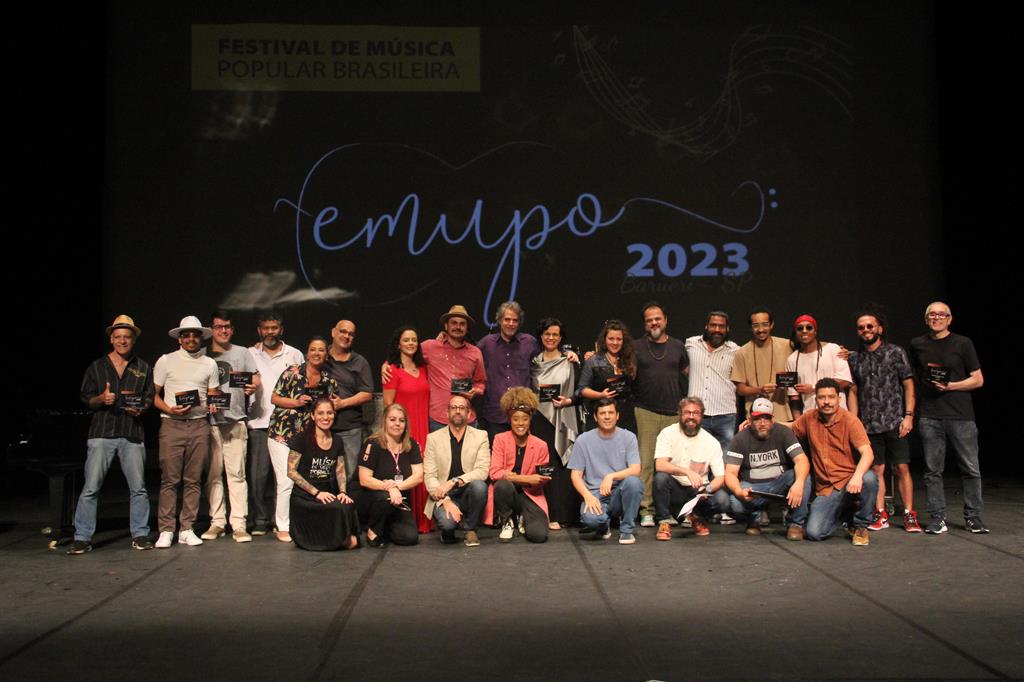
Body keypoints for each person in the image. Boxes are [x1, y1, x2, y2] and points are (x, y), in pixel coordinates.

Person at [68, 315, 155, 555]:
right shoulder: (97, 366)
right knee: (91, 487)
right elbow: (86, 398)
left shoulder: (143, 367)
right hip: (102, 433)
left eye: (127, 337)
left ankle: (140, 534)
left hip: (131, 433)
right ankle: (82, 537)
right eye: (118, 337)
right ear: (111, 339)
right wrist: (101, 399)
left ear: (133, 339)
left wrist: (140, 409)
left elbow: (148, 398)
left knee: (138, 488)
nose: (122, 341)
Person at [910, 301, 987, 534]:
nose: (937, 318)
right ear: (926, 319)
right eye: (932, 315)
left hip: (960, 416)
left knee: (970, 469)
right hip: (930, 416)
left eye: (941, 315)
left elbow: (978, 379)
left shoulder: (963, 343)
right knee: (933, 471)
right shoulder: (917, 344)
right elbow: (914, 378)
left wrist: (951, 386)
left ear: (949, 319)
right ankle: (937, 518)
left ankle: (973, 517)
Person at [847, 309, 920, 533]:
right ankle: (880, 513)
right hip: (869, 424)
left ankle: (909, 513)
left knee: (901, 467)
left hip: (895, 420)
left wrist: (909, 415)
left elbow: (908, 384)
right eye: (861, 327)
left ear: (879, 328)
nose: (866, 330)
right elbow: (853, 390)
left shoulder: (895, 352)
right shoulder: (855, 358)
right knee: (877, 469)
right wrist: (854, 421)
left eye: (870, 326)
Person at [152, 316, 221, 549]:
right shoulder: (166, 361)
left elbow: (213, 395)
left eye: (195, 335)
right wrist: (169, 409)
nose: (191, 339)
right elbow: (153, 395)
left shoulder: (209, 364)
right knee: (170, 479)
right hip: (172, 424)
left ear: (201, 338)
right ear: (179, 338)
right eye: (186, 335)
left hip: (199, 425)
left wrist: (212, 404)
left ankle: (186, 528)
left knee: (193, 479)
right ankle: (166, 530)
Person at [267, 337, 339, 543]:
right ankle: (282, 526)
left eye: (321, 350)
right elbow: (274, 398)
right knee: (286, 480)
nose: (317, 353)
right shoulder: (292, 372)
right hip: (282, 434)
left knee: (303, 480)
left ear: (326, 354)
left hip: (306, 440)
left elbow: (331, 406)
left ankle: (299, 522)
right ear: (307, 353)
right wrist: (296, 402)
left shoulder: (328, 381)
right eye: (313, 349)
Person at [791, 379, 878, 546]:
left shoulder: (850, 421)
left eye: (831, 397)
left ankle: (861, 525)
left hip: (849, 481)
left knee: (869, 478)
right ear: (816, 399)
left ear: (839, 398)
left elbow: (868, 453)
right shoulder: (809, 418)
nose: (826, 402)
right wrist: (760, 423)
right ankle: (845, 515)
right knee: (814, 533)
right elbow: (790, 428)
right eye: (821, 397)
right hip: (827, 488)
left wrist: (857, 476)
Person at [203, 310, 260, 543]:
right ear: (211, 330)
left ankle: (238, 524)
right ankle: (217, 522)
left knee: (237, 475)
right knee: (213, 475)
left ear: (232, 329)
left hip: (235, 420)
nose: (223, 330)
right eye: (218, 327)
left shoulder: (242, 352)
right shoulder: (203, 354)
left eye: (227, 326)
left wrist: (252, 386)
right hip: (210, 423)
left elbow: (255, 378)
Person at [247, 311, 304, 536]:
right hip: (259, 422)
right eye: (265, 328)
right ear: (259, 330)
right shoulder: (249, 354)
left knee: (286, 478)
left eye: (274, 328)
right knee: (258, 476)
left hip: (288, 425)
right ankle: (261, 520)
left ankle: (283, 519)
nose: (269, 332)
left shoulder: (295, 354)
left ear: (281, 329)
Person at [632, 302, 689, 529]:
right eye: (649, 320)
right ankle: (646, 510)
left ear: (665, 320)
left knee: (674, 464)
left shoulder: (678, 346)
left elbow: (685, 374)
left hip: (673, 413)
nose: (654, 323)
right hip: (645, 411)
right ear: (645, 324)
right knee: (646, 463)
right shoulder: (636, 347)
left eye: (657, 319)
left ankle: (673, 510)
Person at [723, 397, 810, 540]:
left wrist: (799, 483)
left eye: (766, 418)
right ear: (750, 420)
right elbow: (730, 473)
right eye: (757, 419)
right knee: (735, 501)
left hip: (779, 483)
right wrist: (739, 491)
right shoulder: (740, 439)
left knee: (803, 477)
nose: (762, 423)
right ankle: (754, 518)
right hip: (754, 488)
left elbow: (802, 460)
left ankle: (796, 524)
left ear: (773, 419)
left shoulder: (784, 432)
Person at [652, 397, 730, 540]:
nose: (691, 417)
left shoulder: (711, 442)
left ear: (702, 416)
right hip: (674, 489)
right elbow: (660, 465)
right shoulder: (667, 433)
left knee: (723, 500)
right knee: (660, 478)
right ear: (680, 414)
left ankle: (695, 516)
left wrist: (708, 489)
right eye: (687, 412)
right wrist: (687, 472)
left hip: (697, 492)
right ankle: (664, 522)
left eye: (696, 413)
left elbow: (720, 477)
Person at [286, 398, 359, 551]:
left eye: (329, 413)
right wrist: (317, 493)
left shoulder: (337, 440)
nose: (325, 417)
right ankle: (327, 540)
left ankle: (339, 539)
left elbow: (340, 469)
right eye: (320, 413)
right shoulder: (301, 439)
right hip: (305, 497)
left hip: (327, 494)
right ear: (313, 415)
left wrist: (343, 492)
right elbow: (291, 471)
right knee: (337, 509)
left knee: (347, 504)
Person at [530, 317, 581, 530]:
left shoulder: (570, 361)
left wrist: (568, 400)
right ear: (541, 336)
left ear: (561, 338)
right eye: (547, 334)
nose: (551, 338)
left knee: (564, 465)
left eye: (555, 335)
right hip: (540, 419)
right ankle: (547, 513)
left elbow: (580, 391)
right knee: (545, 465)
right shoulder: (533, 363)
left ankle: (566, 514)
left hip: (564, 418)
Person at [569, 398, 643, 544]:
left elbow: (636, 469)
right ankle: (603, 526)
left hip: (620, 493)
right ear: (596, 417)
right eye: (603, 413)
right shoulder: (583, 440)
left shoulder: (629, 437)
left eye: (611, 413)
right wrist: (587, 496)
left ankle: (626, 530)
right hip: (596, 495)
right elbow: (575, 474)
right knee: (591, 519)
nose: (607, 417)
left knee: (634, 483)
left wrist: (611, 476)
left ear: (617, 415)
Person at [381, 325, 432, 533]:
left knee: (425, 471)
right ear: (398, 344)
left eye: (414, 340)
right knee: (408, 471)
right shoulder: (391, 369)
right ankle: (409, 521)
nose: (411, 343)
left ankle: (426, 519)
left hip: (424, 427)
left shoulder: (423, 367)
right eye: (406, 340)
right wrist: (396, 433)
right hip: (404, 430)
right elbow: (388, 405)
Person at [422, 394, 490, 546]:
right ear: (447, 413)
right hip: (443, 495)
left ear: (469, 413)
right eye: (453, 408)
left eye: (462, 408)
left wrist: (454, 481)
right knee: (448, 525)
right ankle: (448, 531)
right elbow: (429, 476)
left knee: (479, 486)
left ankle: (470, 529)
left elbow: (482, 471)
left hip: (468, 492)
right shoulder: (433, 438)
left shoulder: (481, 436)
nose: (457, 411)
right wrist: (446, 501)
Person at [490, 387, 552, 543]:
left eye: (524, 419)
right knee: (502, 485)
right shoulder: (500, 439)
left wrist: (516, 477)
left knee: (538, 536)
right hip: (507, 493)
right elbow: (495, 473)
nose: (520, 423)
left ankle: (523, 516)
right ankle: (508, 520)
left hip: (530, 494)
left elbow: (542, 478)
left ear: (530, 420)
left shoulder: (541, 445)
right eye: (516, 419)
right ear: (510, 420)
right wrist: (526, 478)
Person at [356, 403, 423, 547]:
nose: (397, 424)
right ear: (384, 421)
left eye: (401, 420)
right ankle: (373, 529)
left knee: (409, 537)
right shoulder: (372, 444)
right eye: (392, 419)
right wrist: (389, 488)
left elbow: (418, 476)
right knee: (384, 498)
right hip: (372, 498)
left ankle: (385, 526)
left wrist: (397, 487)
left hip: (397, 499)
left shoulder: (411, 444)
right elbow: (364, 479)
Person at [419, 305, 487, 431]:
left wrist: (475, 391)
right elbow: (406, 354)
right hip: (438, 419)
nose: (458, 327)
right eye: (454, 323)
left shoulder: (475, 353)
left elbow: (481, 382)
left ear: (467, 328)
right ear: (446, 326)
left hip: (466, 419)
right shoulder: (429, 347)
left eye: (462, 324)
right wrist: (388, 364)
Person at [323, 319, 374, 482]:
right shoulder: (320, 357)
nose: (346, 336)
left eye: (351, 334)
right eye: (343, 331)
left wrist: (342, 403)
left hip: (349, 428)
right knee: (322, 475)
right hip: (322, 428)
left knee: (349, 475)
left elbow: (367, 393)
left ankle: (348, 500)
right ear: (333, 332)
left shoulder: (360, 362)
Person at [684, 311, 740, 452]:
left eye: (721, 326)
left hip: (725, 415)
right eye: (713, 325)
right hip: (697, 414)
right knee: (697, 457)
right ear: (706, 326)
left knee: (724, 459)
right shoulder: (691, 344)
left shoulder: (736, 351)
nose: (717, 329)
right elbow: (681, 367)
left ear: (727, 329)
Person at [731, 308, 793, 423]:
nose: (761, 330)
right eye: (756, 325)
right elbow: (740, 389)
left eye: (765, 324)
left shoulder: (787, 345)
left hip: (783, 413)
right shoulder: (742, 352)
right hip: (755, 414)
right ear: (751, 327)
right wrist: (760, 389)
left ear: (771, 325)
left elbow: (809, 347)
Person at [577, 320, 638, 434]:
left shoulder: (630, 359)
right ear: (604, 339)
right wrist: (601, 395)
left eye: (619, 339)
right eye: (611, 338)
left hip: (626, 416)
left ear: (623, 340)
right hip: (601, 413)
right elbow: (582, 389)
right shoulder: (593, 361)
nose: (615, 342)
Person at [786, 314, 852, 416]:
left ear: (815, 331)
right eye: (800, 328)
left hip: (838, 415)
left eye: (809, 328)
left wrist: (813, 388)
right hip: (811, 417)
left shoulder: (833, 349)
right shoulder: (792, 360)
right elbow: (794, 396)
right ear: (795, 333)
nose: (804, 331)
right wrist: (798, 420)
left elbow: (845, 381)